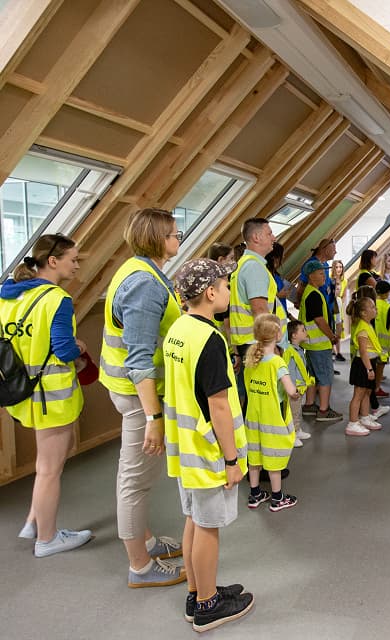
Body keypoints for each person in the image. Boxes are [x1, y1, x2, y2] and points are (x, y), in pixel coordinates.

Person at [163, 258, 253, 631]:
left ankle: (197, 591)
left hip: (184, 446)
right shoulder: (210, 340)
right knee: (208, 526)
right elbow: (218, 406)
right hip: (207, 450)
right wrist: (231, 460)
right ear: (211, 292)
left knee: (194, 519)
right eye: (226, 285)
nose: (230, 292)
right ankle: (208, 604)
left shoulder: (178, 329)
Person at [100, 208, 185, 588]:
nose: (178, 238)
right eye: (174, 234)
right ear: (157, 239)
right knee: (134, 480)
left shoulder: (139, 269)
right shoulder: (144, 284)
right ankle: (140, 566)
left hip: (133, 392)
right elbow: (138, 360)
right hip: (139, 398)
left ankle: (146, 541)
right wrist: (154, 418)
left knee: (136, 477)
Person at [1, 234, 92, 557]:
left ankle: (33, 521)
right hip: (51, 397)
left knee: (46, 464)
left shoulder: (8, 297)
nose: (76, 266)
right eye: (72, 260)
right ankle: (47, 539)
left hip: (22, 392)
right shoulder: (56, 300)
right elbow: (64, 351)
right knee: (50, 469)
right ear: (52, 261)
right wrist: (79, 347)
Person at [243, 313, 298, 511]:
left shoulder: (251, 360)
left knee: (254, 457)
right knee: (274, 459)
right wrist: (297, 393)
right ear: (277, 334)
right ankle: (277, 498)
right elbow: (291, 391)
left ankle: (255, 494)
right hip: (273, 419)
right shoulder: (277, 362)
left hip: (253, 418)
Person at [229, 218, 280, 408]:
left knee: (253, 399)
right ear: (256, 237)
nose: (273, 238)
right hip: (256, 343)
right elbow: (259, 309)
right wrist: (271, 346)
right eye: (269, 233)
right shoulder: (253, 267)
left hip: (248, 343)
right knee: (261, 402)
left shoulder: (245, 264)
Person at [298, 261, 342, 422]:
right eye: (321, 273)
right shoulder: (314, 295)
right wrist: (332, 336)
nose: (324, 276)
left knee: (312, 375)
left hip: (311, 345)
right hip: (319, 345)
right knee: (325, 377)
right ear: (311, 276)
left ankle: (309, 405)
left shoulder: (310, 292)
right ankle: (324, 410)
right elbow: (319, 320)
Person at [346, 296, 384, 437]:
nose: (375, 309)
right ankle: (352, 422)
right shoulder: (362, 328)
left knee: (367, 392)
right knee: (358, 394)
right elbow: (363, 352)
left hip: (369, 363)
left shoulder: (368, 325)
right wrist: (369, 369)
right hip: (363, 365)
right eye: (372, 307)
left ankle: (365, 416)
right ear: (363, 313)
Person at [282, 320, 314, 445]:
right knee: (293, 412)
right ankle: (292, 434)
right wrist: (292, 388)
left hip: (299, 388)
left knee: (297, 410)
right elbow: (290, 372)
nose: (306, 332)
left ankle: (297, 429)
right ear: (294, 335)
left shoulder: (299, 350)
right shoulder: (291, 352)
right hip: (295, 389)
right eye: (303, 330)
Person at [374, 280, 390, 399]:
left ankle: (369, 389)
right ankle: (376, 389)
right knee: (380, 368)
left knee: (371, 367)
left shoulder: (370, 303)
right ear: (386, 293)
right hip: (382, 345)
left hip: (370, 342)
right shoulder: (388, 307)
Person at [330, 259, 347, 362]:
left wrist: (340, 302)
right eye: (336, 267)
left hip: (339, 303)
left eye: (340, 267)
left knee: (339, 327)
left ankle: (338, 352)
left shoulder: (344, 280)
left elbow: (344, 295)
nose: (339, 269)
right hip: (331, 302)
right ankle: (333, 350)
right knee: (331, 326)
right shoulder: (329, 279)